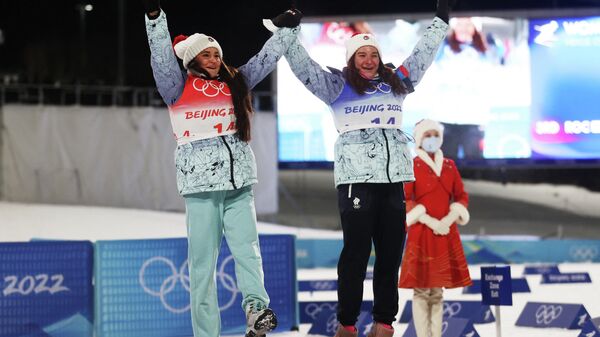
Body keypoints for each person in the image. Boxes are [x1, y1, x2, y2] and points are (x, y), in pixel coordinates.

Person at [270, 0, 453, 335]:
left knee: (389, 257)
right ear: (351, 60)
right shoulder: (336, 87)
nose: (368, 61)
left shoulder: (397, 83)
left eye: (373, 54)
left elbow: (421, 57)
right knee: (355, 255)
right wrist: (288, 32)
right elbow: (303, 66)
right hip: (356, 182)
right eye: (361, 55)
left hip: (395, 179)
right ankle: (348, 323)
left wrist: (441, 21)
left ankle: (384, 323)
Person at [142, 2, 301, 337]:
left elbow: (265, 59)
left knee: (248, 253)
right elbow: (160, 56)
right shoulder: (176, 86)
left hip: (239, 184)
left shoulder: (236, 83)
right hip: (201, 190)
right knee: (203, 268)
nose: (214, 60)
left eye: (216, 54)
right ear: (192, 60)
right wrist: (155, 19)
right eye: (207, 55)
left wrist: (286, 30)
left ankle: (256, 313)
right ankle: (206, 332)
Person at [399, 119, 472, 337]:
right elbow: (405, 198)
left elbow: (461, 195)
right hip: (421, 234)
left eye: (435, 135)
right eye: (427, 135)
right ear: (420, 139)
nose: (432, 139)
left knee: (438, 291)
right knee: (421, 290)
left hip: (444, 234)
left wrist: (449, 218)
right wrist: (427, 219)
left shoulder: (449, 165)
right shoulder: (411, 164)